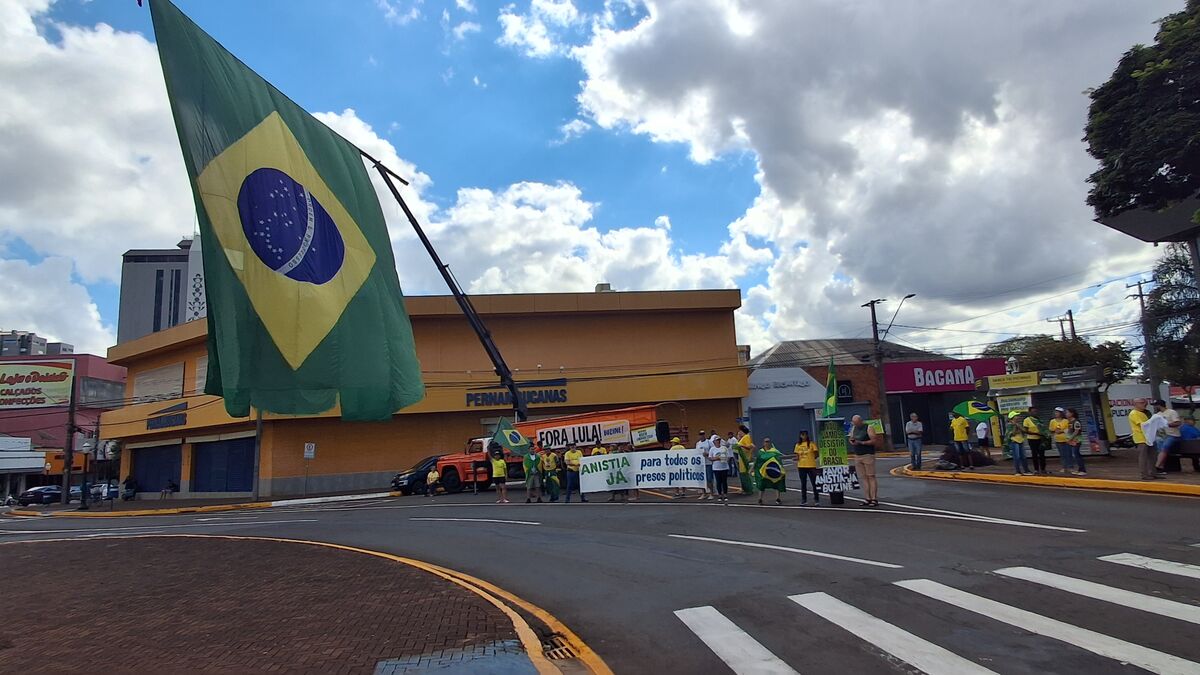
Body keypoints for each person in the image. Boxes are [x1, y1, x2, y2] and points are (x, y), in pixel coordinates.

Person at [848, 415, 878, 507]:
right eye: (854, 423)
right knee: (863, 477)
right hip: (858, 454)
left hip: (867, 454)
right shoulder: (854, 428)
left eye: (857, 423)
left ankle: (874, 498)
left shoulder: (868, 428)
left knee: (871, 476)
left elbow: (874, 440)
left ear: (861, 421)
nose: (855, 424)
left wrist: (862, 442)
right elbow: (850, 438)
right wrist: (852, 441)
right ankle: (867, 498)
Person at [1151, 399, 1181, 476]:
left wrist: (1167, 424)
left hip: (1173, 435)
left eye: (1156, 405)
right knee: (1161, 450)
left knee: (1164, 448)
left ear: (1159, 405)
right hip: (1162, 435)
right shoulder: (1158, 414)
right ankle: (1161, 467)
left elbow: (1177, 422)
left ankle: (1157, 466)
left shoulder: (1171, 412)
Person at [1128, 398, 1155, 480]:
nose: (1144, 404)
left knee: (1152, 456)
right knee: (1143, 456)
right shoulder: (1134, 413)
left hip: (1149, 437)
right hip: (1141, 438)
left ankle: (1152, 473)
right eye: (1142, 403)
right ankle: (1144, 474)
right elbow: (1142, 425)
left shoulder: (1143, 413)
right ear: (1135, 404)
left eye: (1145, 403)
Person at [756, 437, 787, 505]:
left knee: (777, 483)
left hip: (773, 471)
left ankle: (778, 498)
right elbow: (757, 462)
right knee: (762, 485)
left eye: (768, 442)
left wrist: (782, 470)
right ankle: (760, 499)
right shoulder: (760, 452)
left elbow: (778, 462)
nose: (767, 443)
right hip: (763, 472)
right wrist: (752, 470)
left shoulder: (775, 451)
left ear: (770, 443)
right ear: (763, 443)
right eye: (765, 442)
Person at [794, 430, 820, 506]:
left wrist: (811, 458)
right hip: (801, 466)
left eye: (805, 435)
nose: (803, 436)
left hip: (811, 465)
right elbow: (797, 455)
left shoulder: (811, 444)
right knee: (803, 483)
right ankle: (804, 499)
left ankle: (816, 499)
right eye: (802, 435)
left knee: (814, 483)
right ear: (800, 436)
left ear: (807, 435)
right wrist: (797, 458)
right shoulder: (798, 445)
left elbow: (816, 454)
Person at [1062, 408, 1087, 476]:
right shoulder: (1070, 422)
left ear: (1071, 413)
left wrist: (1070, 438)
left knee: (1077, 454)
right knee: (1075, 455)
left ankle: (1082, 470)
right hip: (1072, 441)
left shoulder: (1076, 421)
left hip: (1077, 440)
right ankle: (1079, 469)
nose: (1066, 414)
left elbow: (1076, 431)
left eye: (1067, 413)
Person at [1023, 407, 1048, 475]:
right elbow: (1026, 431)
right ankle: (1036, 469)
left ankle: (1043, 469)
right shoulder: (1027, 420)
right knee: (1034, 455)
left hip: (1040, 439)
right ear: (1030, 412)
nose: (1035, 413)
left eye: (1036, 411)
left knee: (1042, 454)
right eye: (1033, 411)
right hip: (1032, 439)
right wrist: (1036, 433)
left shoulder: (1038, 420)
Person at [1006, 411, 1032, 476]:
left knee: (1023, 456)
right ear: (1012, 417)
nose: (1018, 417)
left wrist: (1018, 426)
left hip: (1021, 441)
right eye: (1016, 416)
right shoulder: (1010, 425)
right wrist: (1015, 427)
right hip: (1014, 441)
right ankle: (1018, 471)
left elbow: (1024, 431)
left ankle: (1026, 470)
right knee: (1016, 457)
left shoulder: (1018, 424)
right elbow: (1011, 434)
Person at [735, 425, 757, 495]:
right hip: (741, 458)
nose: (739, 432)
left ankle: (748, 489)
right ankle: (744, 488)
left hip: (744, 458)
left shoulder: (746, 437)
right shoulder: (742, 438)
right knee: (742, 474)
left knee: (745, 474)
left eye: (740, 431)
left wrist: (741, 446)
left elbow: (749, 446)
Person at [1049, 408, 1071, 473]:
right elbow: (1051, 429)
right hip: (1058, 439)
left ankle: (1070, 467)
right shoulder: (1052, 421)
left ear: (1061, 413)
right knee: (1062, 454)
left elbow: (1069, 429)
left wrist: (1061, 431)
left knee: (1068, 453)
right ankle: (1064, 467)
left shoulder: (1066, 421)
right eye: (1055, 412)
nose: (1056, 414)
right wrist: (1055, 431)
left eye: (1058, 412)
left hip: (1066, 439)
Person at [696, 430, 714, 501]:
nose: (702, 435)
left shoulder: (709, 442)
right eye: (700, 434)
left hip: (708, 463)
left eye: (703, 434)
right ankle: (703, 493)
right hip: (701, 463)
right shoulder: (698, 443)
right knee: (702, 479)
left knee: (709, 479)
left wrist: (707, 454)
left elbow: (712, 450)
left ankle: (711, 493)